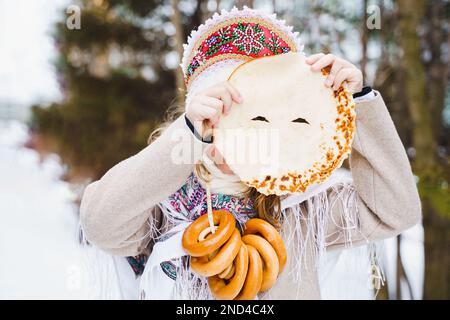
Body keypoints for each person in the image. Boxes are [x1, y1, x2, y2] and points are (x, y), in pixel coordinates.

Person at [80, 7, 421, 299]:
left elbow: (395, 210)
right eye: (216, 119)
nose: (232, 138)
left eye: (255, 120)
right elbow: (100, 223)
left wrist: (358, 103)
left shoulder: (302, 208)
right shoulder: (163, 205)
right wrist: (184, 138)